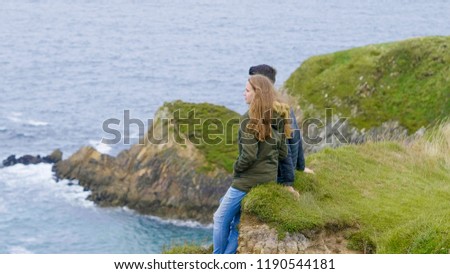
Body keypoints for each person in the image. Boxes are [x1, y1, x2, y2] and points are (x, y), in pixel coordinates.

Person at [213, 74, 288, 254]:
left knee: (220, 218)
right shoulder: (277, 116)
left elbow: (248, 156)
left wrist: (236, 169)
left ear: (257, 94)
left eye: (247, 91)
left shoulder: (248, 118)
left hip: (246, 181)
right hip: (268, 180)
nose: (243, 94)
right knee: (237, 223)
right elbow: (284, 152)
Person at [249, 64, 314, 197]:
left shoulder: (270, 111)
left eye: (252, 82)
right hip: (286, 168)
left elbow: (284, 150)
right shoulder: (282, 106)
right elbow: (296, 138)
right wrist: (300, 167)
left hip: (277, 175)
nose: (248, 86)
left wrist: (287, 183)